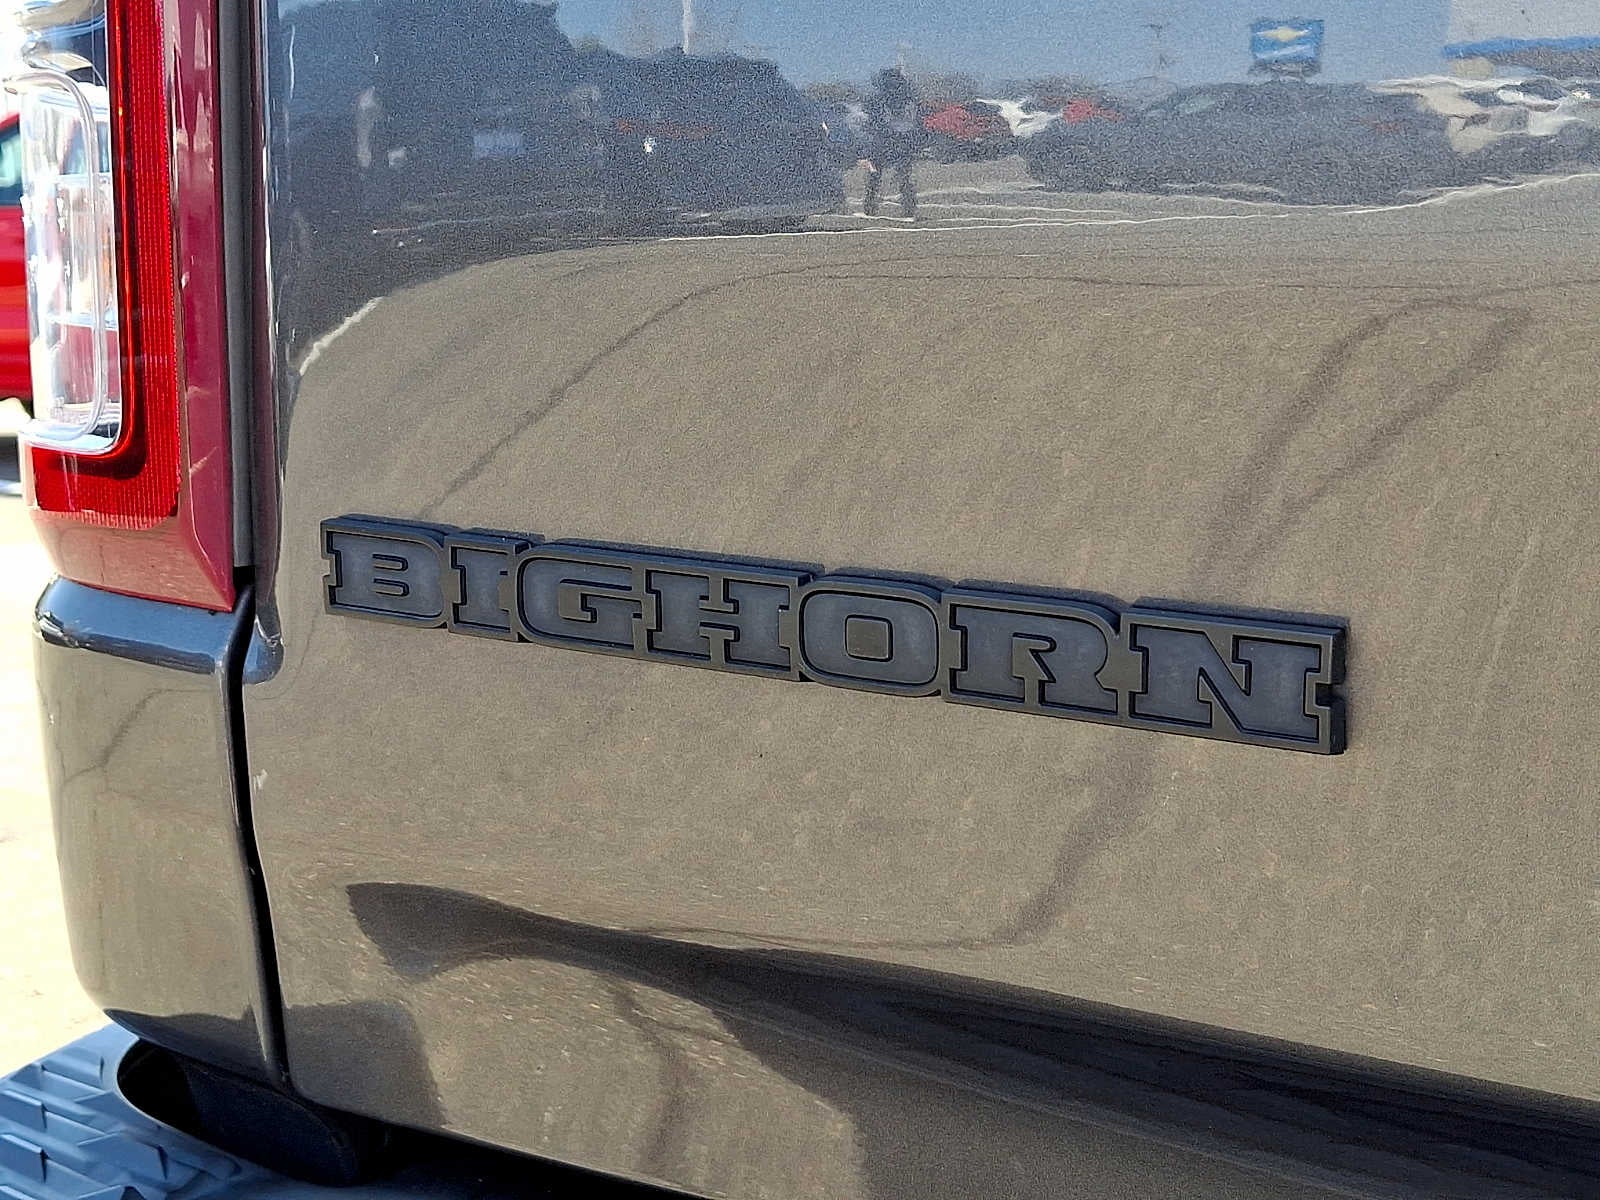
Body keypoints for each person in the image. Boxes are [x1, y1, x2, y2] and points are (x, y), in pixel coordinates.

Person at [862, 67, 920, 218]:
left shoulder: (881, 98)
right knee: (902, 175)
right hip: (902, 140)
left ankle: (871, 205)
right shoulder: (908, 97)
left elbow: (872, 119)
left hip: (888, 139)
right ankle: (908, 207)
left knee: (877, 173)